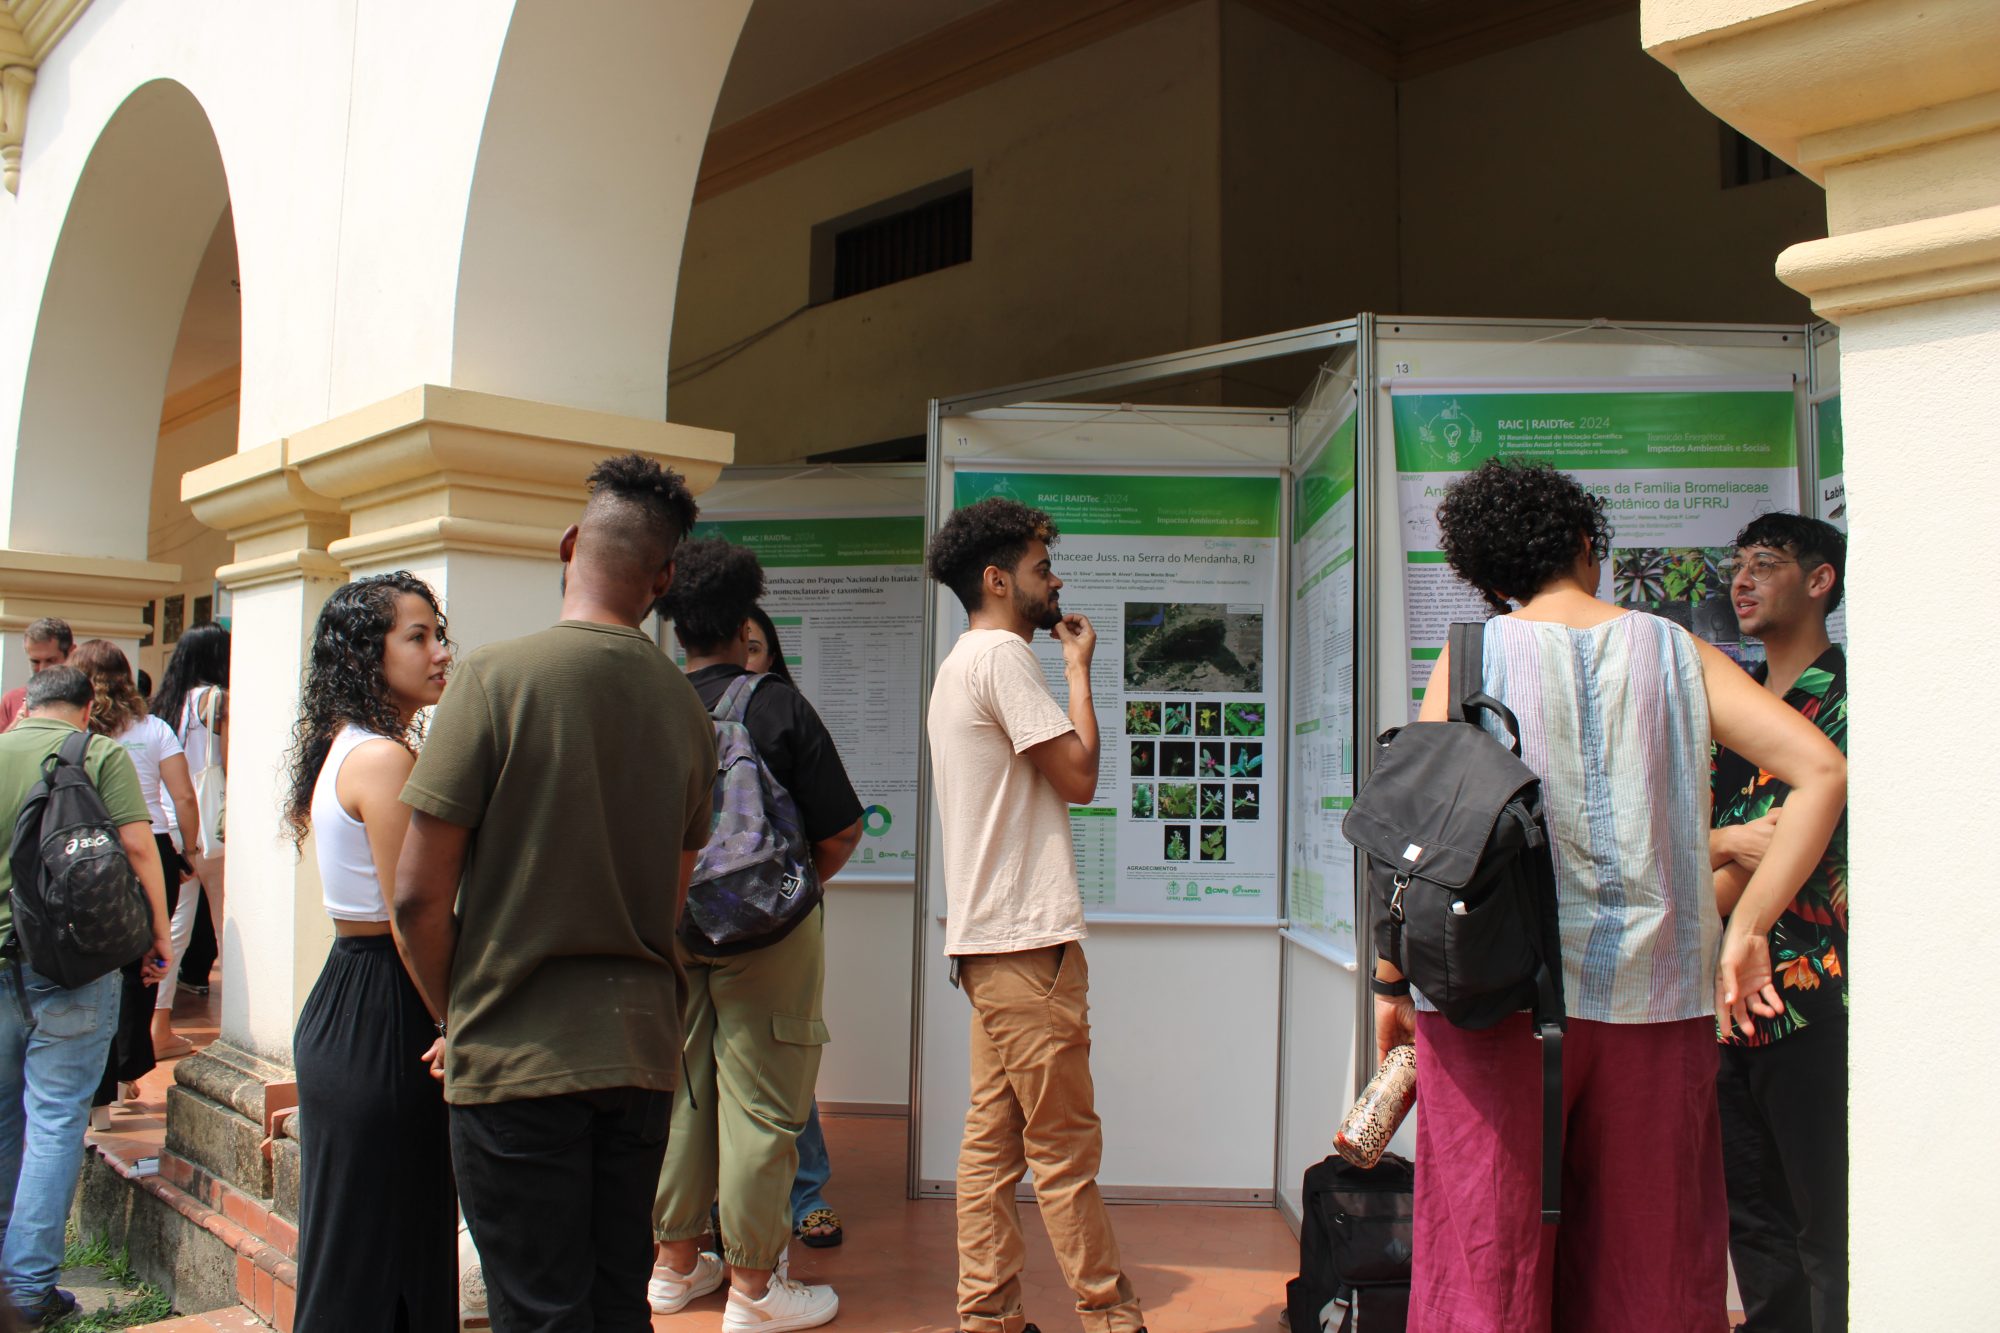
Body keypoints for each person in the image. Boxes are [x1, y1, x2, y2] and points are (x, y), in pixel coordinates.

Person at [1372, 461, 1846, 1333]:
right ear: (1587, 543)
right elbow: (1822, 771)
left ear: (1495, 573)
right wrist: (1748, 928)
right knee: (1649, 1273)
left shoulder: (1474, 655)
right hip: (1655, 1001)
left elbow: (1418, 843)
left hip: (1496, 1000)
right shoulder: (1677, 651)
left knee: (1486, 1264)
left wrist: (1391, 983)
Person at [393, 454, 716, 1333]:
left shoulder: (492, 680)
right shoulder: (688, 711)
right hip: (639, 1054)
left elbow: (417, 897)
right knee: (617, 1304)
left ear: (571, 543)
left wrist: (458, 1013)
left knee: (540, 1311)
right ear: (663, 579)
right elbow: (672, 897)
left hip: (516, 1055)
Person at [924, 498, 1147, 1333]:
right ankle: (1112, 1318)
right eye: (1041, 567)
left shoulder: (959, 663)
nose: (1054, 581)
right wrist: (1081, 670)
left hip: (989, 946)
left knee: (992, 1145)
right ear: (996, 579)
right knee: (1063, 1148)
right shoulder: (1003, 658)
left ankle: (989, 1317)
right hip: (1028, 947)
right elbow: (1080, 776)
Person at [650, 547, 861, 1327]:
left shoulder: (650, 704)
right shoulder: (776, 705)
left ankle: (673, 1268)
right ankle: (753, 1288)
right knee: (764, 1103)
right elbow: (841, 830)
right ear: (746, 624)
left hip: (674, 924)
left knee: (683, 1093)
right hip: (771, 935)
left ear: (675, 626)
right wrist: (785, 895)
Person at [283, 574, 457, 1332]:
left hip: (358, 999)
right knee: (383, 1257)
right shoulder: (382, 758)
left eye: (438, 634)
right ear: (365, 654)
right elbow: (412, 912)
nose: (440, 651)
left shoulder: (355, 745)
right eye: (417, 637)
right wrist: (456, 1019)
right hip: (385, 1009)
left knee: (363, 1248)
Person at [1708, 515, 1849, 1333]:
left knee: (1826, 1230)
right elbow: (1689, 850)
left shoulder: (1848, 698)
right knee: (1755, 1231)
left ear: (1820, 580)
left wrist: (1723, 857)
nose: (1742, 579)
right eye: (1739, 565)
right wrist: (1731, 840)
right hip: (1727, 1009)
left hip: (1815, 998)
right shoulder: (1739, 708)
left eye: (1765, 563)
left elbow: (1797, 835)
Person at [0, 666, 170, 1325]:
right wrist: (157, 934)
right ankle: (29, 1287)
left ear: (27, 705)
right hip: (72, 963)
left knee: (5, 1119)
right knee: (55, 1118)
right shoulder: (96, 753)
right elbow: (138, 847)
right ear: (85, 707)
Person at [745, 605, 842, 1252]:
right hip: (700, 922)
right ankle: (715, 1208)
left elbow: (838, 829)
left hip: (782, 918)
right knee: (711, 1064)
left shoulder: (785, 711)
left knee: (789, 1053)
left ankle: (806, 1192)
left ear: (773, 656)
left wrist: (794, 894)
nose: (743, 658)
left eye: (754, 647)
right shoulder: (681, 711)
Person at [69, 642, 200, 1107]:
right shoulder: (154, 728)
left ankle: (95, 1088)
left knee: (94, 966)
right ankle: (125, 1073)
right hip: (151, 846)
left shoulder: (76, 732)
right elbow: (183, 796)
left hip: (87, 851)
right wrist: (188, 850)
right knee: (143, 964)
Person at [148, 624, 230, 1057]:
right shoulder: (217, 700)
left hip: (169, 825)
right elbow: (230, 766)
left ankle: (158, 1022)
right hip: (210, 828)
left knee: (173, 930)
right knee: (225, 926)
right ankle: (236, 1025)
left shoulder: (166, 704)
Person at [0, 620, 73, 733]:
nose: (42, 669)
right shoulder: (12, 700)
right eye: (35, 662)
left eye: (50, 660)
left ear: (71, 653)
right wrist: (17, 724)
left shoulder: (85, 698)